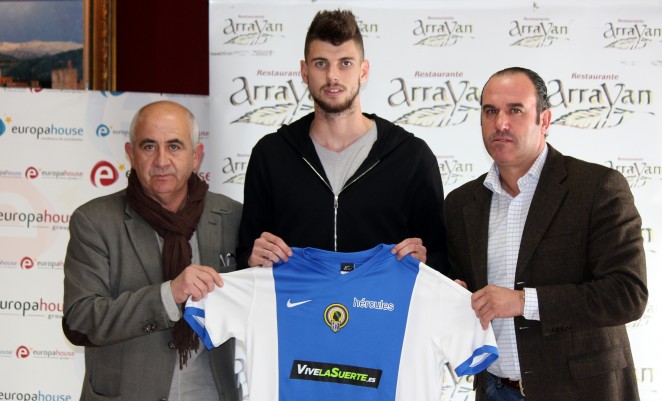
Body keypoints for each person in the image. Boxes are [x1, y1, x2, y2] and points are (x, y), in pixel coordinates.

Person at [444, 67, 648, 401]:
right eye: (490, 111)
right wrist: (439, 283)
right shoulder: (461, 203)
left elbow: (627, 295)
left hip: (582, 392)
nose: (500, 123)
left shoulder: (596, 188)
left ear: (545, 119)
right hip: (495, 390)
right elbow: (461, 290)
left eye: (515, 110)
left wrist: (523, 302)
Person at [236, 9, 448, 273]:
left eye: (345, 63)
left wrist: (426, 261)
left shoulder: (411, 156)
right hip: (297, 301)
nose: (332, 76)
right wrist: (252, 257)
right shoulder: (271, 155)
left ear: (363, 71)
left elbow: (442, 258)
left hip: (381, 301)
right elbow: (245, 254)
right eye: (320, 63)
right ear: (304, 71)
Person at [62, 100, 242, 401]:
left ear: (196, 155)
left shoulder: (232, 217)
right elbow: (80, 321)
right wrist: (168, 296)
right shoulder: (94, 221)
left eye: (174, 146)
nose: (161, 160)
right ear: (131, 154)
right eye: (149, 147)